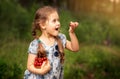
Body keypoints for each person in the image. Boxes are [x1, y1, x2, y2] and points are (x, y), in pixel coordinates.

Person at [24, 6, 79, 79]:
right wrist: (41, 71)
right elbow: (29, 66)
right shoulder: (35, 44)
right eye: (54, 21)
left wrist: (72, 33)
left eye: (58, 20)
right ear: (43, 25)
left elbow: (75, 48)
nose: (58, 23)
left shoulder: (60, 39)